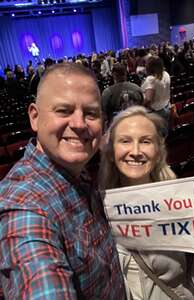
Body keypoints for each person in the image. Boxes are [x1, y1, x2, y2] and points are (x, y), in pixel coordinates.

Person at [0, 63, 127, 299]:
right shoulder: (24, 207)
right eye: (63, 110)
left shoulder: (81, 173)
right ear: (34, 117)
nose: (79, 124)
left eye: (90, 113)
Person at [99, 105, 194, 300]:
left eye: (145, 141)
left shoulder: (181, 201)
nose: (135, 151)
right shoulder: (95, 207)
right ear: (111, 152)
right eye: (125, 141)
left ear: (158, 151)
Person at [102, 62, 144, 127]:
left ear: (113, 74)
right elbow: (142, 106)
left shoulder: (107, 92)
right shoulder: (137, 88)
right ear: (126, 73)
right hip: (136, 124)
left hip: (116, 127)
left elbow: (104, 114)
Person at [141, 56, 171, 128]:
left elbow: (148, 99)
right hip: (166, 107)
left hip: (156, 112)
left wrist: (139, 105)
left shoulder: (151, 79)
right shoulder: (166, 74)